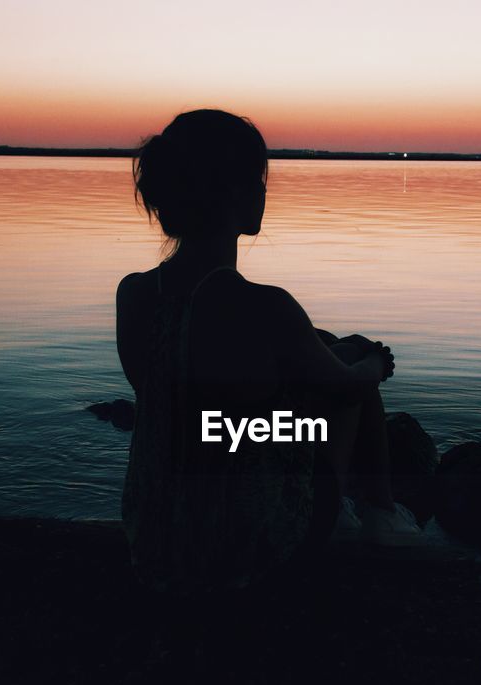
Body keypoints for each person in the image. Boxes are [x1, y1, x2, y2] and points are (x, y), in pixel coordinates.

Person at [117, 109, 421, 591]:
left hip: (153, 540)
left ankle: (360, 507)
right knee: (347, 381)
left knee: (321, 351)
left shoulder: (134, 294)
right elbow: (345, 389)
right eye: (258, 179)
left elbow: (192, 415)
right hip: (240, 552)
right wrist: (374, 363)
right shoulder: (263, 306)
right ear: (233, 193)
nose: (264, 191)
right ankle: (377, 513)